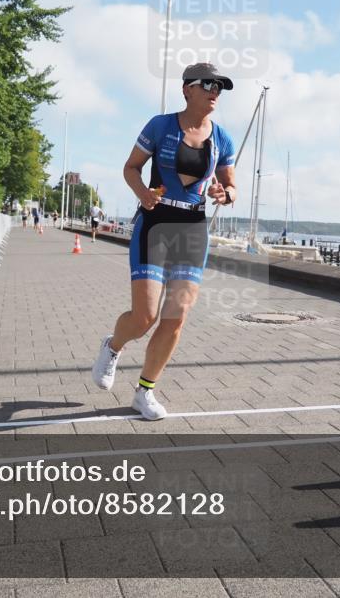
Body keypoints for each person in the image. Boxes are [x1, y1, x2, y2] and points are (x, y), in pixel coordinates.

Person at [92, 63, 237, 420]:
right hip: (156, 221)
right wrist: (142, 193)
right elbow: (131, 167)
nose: (214, 91)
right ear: (187, 89)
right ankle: (112, 347)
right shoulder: (160, 126)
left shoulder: (222, 138)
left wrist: (225, 193)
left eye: (220, 86)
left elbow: (231, 186)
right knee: (145, 317)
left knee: (176, 317)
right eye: (208, 84)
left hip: (191, 226)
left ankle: (145, 392)